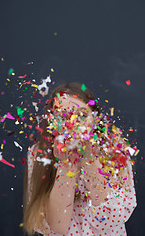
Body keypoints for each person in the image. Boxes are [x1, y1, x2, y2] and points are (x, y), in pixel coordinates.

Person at [23, 82, 137, 236]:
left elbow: (109, 220)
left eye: (82, 115)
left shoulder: (115, 151)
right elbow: (58, 226)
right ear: (51, 121)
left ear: (95, 119)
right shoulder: (39, 154)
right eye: (64, 115)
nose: (73, 123)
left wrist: (89, 161)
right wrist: (66, 164)